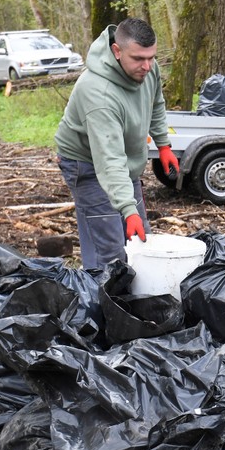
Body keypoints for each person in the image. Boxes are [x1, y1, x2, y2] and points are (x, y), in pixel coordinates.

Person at [55, 18, 178, 269]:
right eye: (138, 59)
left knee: (138, 239)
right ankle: (101, 299)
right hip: (87, 163)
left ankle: (136, 296)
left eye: (151, 57)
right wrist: (127, 209)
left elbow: (156, 103)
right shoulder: (98, 92)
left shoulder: (147, 68)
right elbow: (108, 159)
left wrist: (163, 145)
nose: (147, 66)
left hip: (123, 161)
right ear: (116, 51)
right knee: (110, 249)